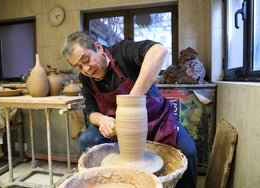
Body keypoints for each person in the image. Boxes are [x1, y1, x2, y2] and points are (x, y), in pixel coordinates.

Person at [61, 31, 198, 188]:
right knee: (88, 139)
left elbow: (159, 51)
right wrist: (103, 120)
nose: (86, 69)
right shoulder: (86, 79)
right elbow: (91, 112)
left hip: (159, 121)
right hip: (120, 131)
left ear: (98, 48)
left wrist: (132, 101)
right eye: (79, 66)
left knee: (189, 151)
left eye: (86, 59)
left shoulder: (122, 51)